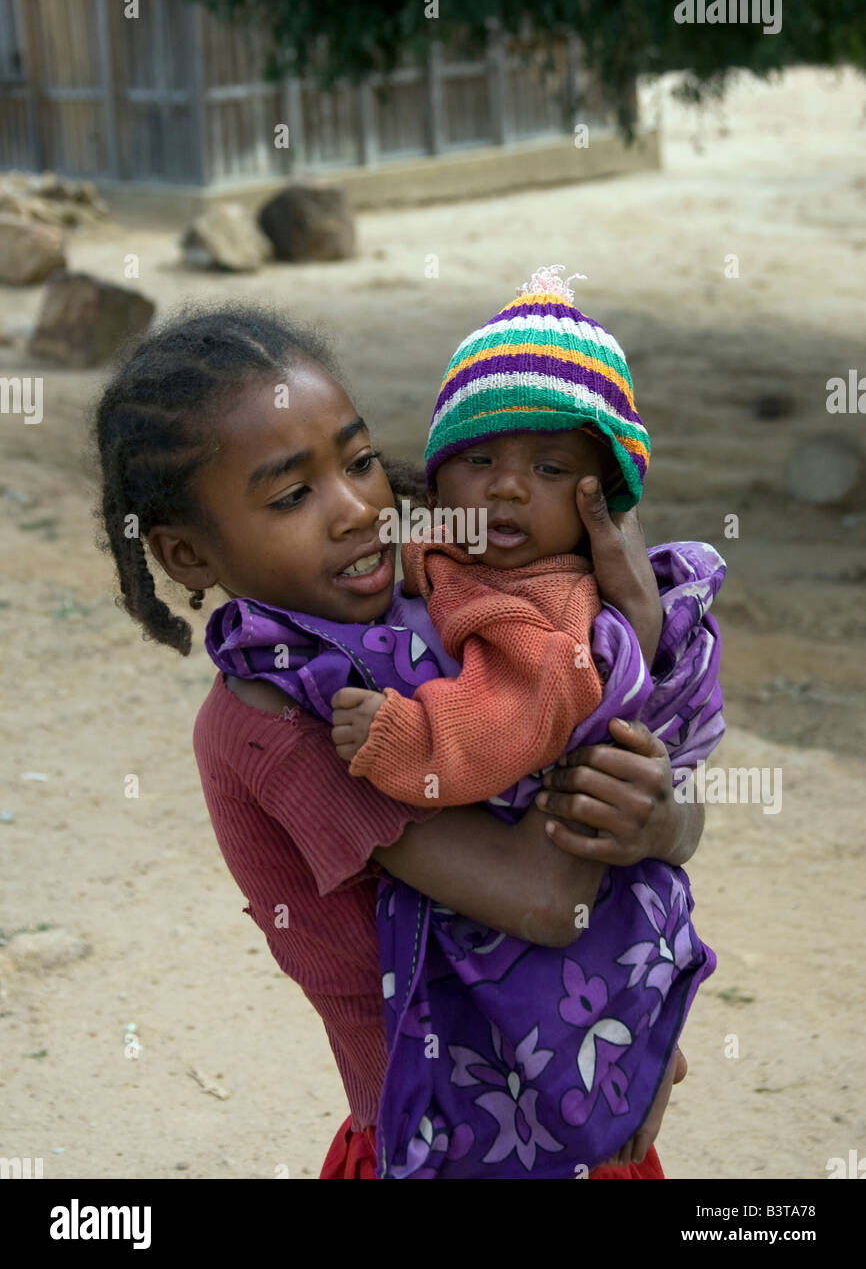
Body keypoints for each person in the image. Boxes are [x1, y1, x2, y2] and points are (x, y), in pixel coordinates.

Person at [93, 303, 707, 1179]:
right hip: (446, 1142)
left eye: (360, 461)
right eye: (293, 495)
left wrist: (667, 828)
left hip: (581, 1108)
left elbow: (650, 810)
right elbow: (541, 896)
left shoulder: (442, 613)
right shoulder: (276, 719)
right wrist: (629, 654)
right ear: (186, 554)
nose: (357, 511)